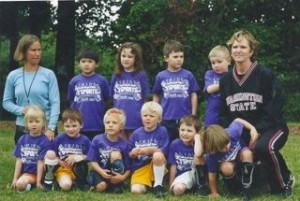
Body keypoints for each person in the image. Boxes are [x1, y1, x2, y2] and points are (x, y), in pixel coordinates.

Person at [219, 29, 294, 197]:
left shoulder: (265, 74)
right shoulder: (225, 80)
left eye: (243, 47)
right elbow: (223, 112)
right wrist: (227, 134)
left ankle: (284, 182)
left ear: (251, 50)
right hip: (242, 131)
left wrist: (259, 130)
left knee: (263, 147)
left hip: (271, 127)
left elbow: (277, 103)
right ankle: (255, 181)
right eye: (234, 47)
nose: (238, 50)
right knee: (234, 157)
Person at [2, 34, 60, 143]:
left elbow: (55, 103)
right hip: (23, 126)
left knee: (48, 159)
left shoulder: (48, 74)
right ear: (23, 52)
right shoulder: (13, 75)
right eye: (33, 50)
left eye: (39, 50)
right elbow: (6, 102)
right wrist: (21, 110)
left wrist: (51, 128)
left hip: (46, 127)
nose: (37, 53)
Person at [153, 40, 200, 141]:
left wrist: (193, 115)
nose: (179, 59)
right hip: (166, 118)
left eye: (181, 57)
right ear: (166, 58)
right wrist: (155, 114)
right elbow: (156, 96)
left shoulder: (188, 75)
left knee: (186, 144)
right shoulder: (161, 76)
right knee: (167, 145)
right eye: (175, 57)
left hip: (185, 119)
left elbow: (193, 95)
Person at [203, 118, 258, 201]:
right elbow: (212, 175)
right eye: (222, 148)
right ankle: (236, 188)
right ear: (214, 148)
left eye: (227, 143)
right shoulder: (212, 155)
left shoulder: (233, 132)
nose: (227, 147)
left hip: (242, 159)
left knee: (247, 153)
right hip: (230, 168)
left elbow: (238, 120)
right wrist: (214, 192)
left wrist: (252, 128)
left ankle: (247, 187)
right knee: (226, 168)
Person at [43, 108, 91, 191]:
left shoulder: (85, 140)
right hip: (64, 169)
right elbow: (51, 155)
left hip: (79, 170)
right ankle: (54, 181)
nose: (71, 129)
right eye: (67, 126)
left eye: (74, 126)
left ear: (81, 125)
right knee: (66, 186)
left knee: (81, 162)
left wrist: (79, 156)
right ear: (63, 126)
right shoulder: (59, 138)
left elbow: (92, 156)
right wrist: (60, 162)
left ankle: (80, 182)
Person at [128, 101, 169, 197]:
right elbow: (129, 154)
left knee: (157, 155)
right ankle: (148, 185)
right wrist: (133, 153)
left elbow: (164, 151)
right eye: (145, 115)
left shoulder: (162, 131)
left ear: (159, 119)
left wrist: (150, 150)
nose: (147, 118)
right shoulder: (136, 133)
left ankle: (158, 185)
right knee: (136, 191)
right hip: (140, 168)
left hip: (156, 166)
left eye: (151, 116)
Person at [110, 42, 150, 140]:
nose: (126, 59)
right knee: (121, 147)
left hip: (136, 120)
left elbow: (145, 99)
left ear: (136, 59)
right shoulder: (116, 76)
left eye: (130, 56)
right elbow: (113, 99)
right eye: (123, 56)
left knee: (134, 148)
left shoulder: (141, 75)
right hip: (119, 119)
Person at [68, 49, 110, 141]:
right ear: (79, 63)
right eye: (83, 61)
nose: (86, 64)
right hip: (79, 125)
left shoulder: (102, 81)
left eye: (90, 61)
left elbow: (107, 100)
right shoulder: (74, 81)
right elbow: (71, 101)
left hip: (98, 124)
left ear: (96, 64)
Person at [87, 108, 131, 193]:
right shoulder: (97, 140)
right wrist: (101, 172)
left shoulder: (125, 144)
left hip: (116, 174)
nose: (110, 125)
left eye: (114, 123)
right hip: (99, 172)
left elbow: (129, 167)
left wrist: (122, 178)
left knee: (115, 154)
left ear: (121, 126)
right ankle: (96, 184)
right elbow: (92, 161)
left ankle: (115, 184)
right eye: (108, 122)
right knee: (101, 187)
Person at [11, 105, 52, 192]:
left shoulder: (45, 141)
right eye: (30, 121)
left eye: (37, 121)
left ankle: (38, 182)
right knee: (19, 184)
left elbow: (41, 163)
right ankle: (28, 184)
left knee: (20, 184)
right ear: (27, 123)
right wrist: (15, 178)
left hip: (39, 173)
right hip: (26, 173)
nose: (34, 124)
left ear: (43, 123)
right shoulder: (22, 139)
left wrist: (38, 182)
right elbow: (19, 160)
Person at [168, 115, 208, 196]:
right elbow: (173, 165)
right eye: (182, 130)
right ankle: (190, 189)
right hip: (182, 177)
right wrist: (171, 184)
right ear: (178, 130)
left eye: (189, 131)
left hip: (197, 176)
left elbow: (198, 153)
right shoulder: (175, 144)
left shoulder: (199, 144)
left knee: (198, 158)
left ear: (197, 132)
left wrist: (197, 138)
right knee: (177, 190)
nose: (185, 133)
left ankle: (201, 186)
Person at [203, 45, 230, 128]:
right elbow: (209, 89)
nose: (216, 65)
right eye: (213, 63)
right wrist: (225, 83)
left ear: (228, 61)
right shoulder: (210, 74)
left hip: (228, 114)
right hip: (212, 115)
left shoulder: (232, 75)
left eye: (219, 62)